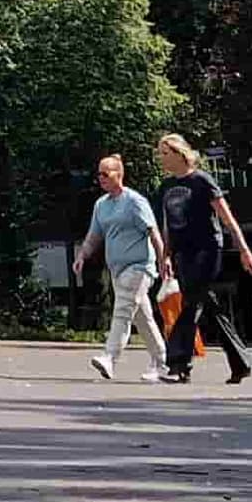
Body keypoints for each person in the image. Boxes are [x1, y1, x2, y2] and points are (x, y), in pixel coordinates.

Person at [150, 134, 252, 386]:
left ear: (180, 154)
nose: (161, 158)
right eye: (160, 153)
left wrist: (244, 250)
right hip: (182, 252)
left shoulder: (202, 181)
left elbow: (227, 218)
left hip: (207, 249)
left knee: (191, 303)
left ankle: (178, 363)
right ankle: (241, 363)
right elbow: (168, 225)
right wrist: (165, 256)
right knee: (207, 304)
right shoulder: (166, 187)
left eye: (165, 153)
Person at [72, 153, 167, 384]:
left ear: (119, 174)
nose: (101, 178)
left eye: (105, 174)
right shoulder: (101, 205)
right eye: (99, 174)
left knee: (123, 310)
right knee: (142, 318)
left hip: (140, 267)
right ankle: (163, 361)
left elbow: (153, 231)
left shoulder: (135, 201)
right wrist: (82, 255)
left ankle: (109, 357)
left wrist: (164, 260)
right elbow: (94, 236)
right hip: (117, 270)